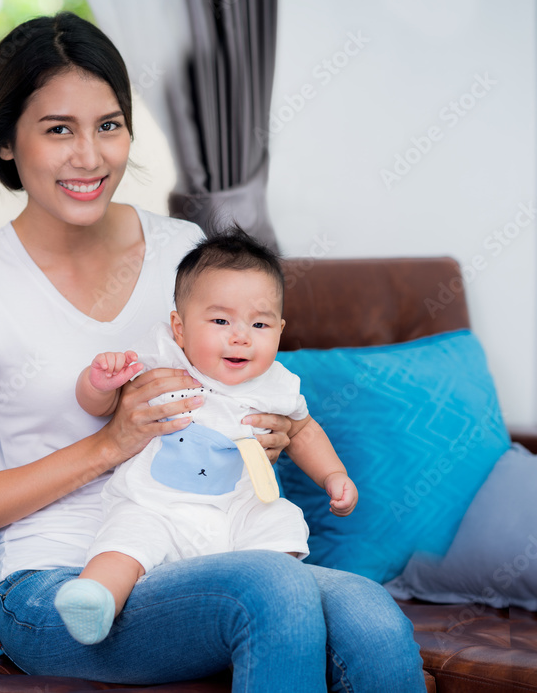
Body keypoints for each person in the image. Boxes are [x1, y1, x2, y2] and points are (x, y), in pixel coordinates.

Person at [0, 11, 425, 692]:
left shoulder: (184, 252)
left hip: (201, 548)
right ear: (6, 141)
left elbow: (243, 382)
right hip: (57, 584)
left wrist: (256, 435)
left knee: (373, 613)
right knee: (272, 590)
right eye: (58, 128)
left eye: (109, 124)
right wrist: (108, 443)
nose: (90, 156)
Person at [55, 228, 358, 645]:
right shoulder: (161, 357)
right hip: (157, 506)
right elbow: (103, 409)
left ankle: (284, 595)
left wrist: (333, 475)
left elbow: (304, 430)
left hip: (238, 511)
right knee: (126, 537)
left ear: (280, 330)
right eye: (220, 320)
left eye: (259, 323)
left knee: (281, 519)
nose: (241, 335)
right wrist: (99, 384)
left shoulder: (277, 384)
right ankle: (96, 597)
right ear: (179, 328)